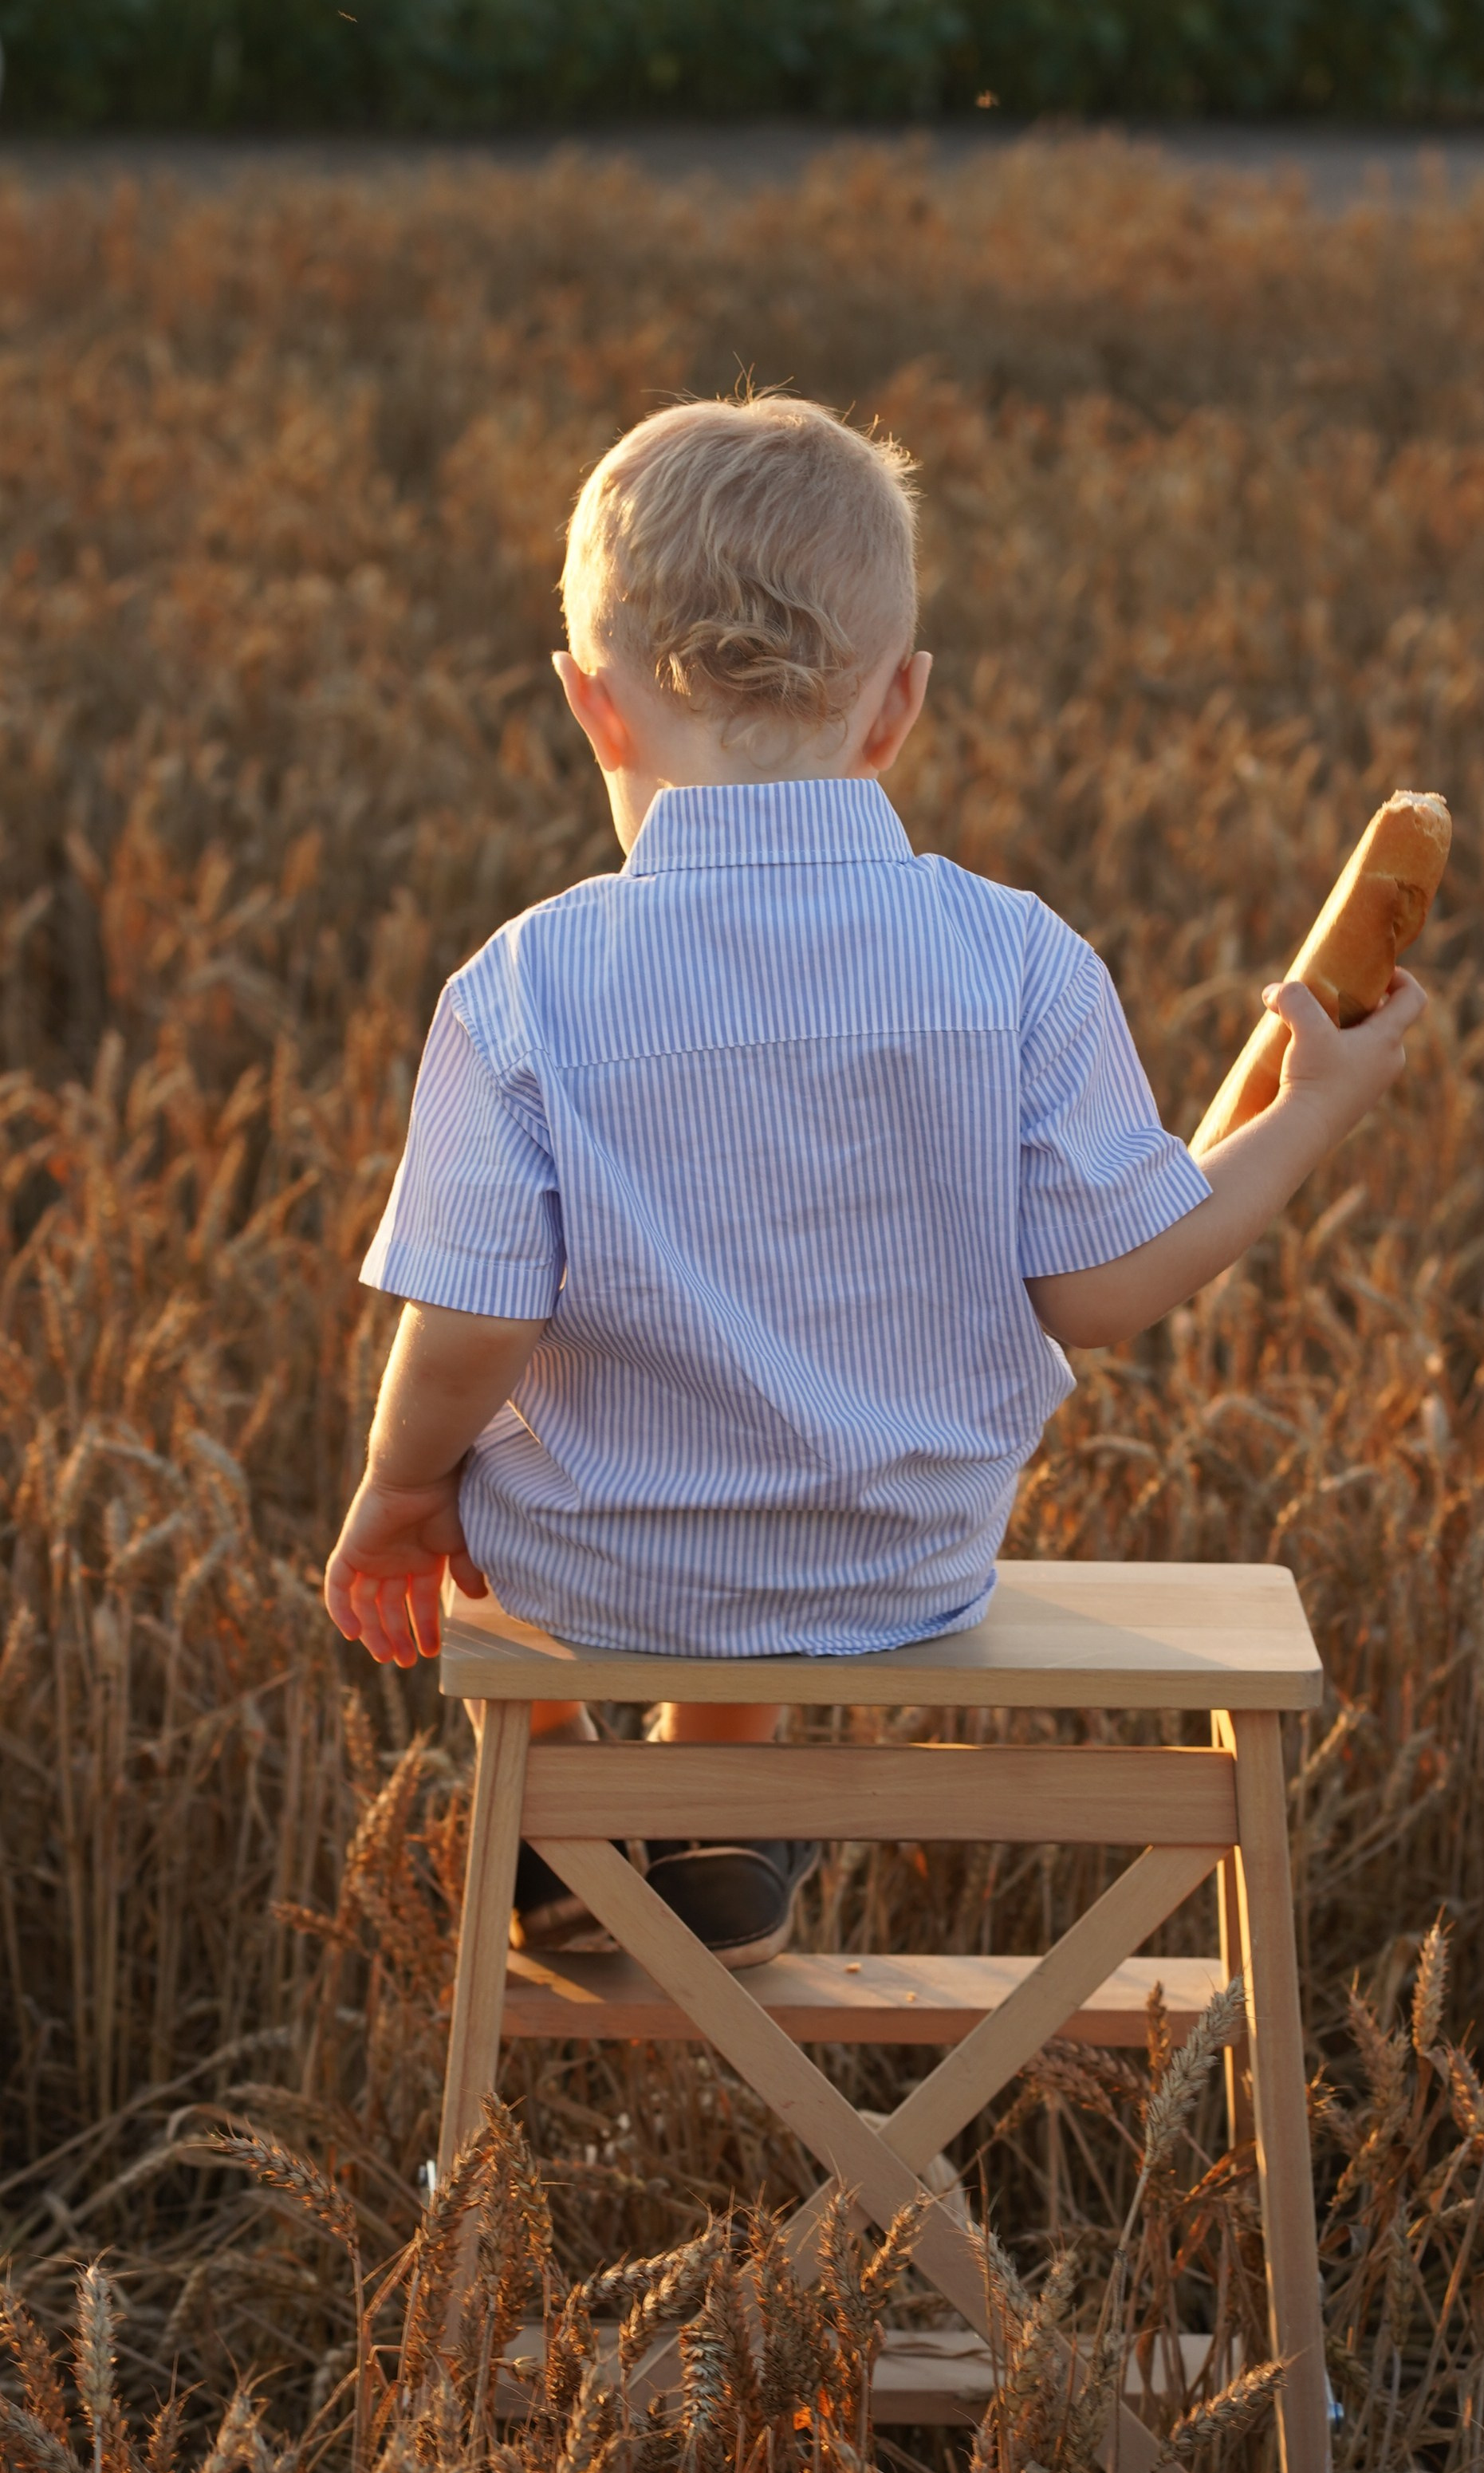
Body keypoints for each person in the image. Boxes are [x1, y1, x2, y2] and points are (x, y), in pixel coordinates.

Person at [323, 393, 1425, 1969]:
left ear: (591, 707)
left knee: (507, 1455)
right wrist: (1309, 1110)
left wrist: (400, 1490)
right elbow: (1110, 1292)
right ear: (900, 704)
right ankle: (718, 1813)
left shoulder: (526, 985)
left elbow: (474, 1323)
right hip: (900, 1562)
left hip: (602, 1568)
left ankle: (562, 1792)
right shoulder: (1014, 956)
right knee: (793, 1371)